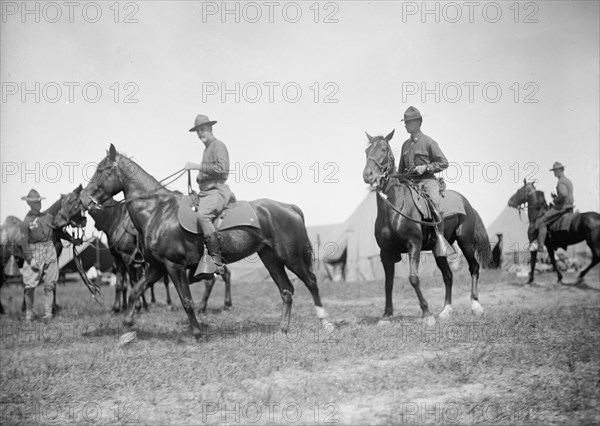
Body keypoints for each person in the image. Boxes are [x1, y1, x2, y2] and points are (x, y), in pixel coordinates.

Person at [398, 106, 453, 257]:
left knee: (435, 203)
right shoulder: (404, 145)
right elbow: (400, 171)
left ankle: (439, 239)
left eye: (408, 122)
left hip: (427, 181)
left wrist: (426, 167)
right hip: (409, 184)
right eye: (405, 122)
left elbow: (444, 163)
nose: (405, 125)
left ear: (417, 123)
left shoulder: (429, 142)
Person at [184, 115, 234, 277]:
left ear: (210, 129)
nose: (200, 134)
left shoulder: (218, 145)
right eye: (198, 131)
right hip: (205, 192)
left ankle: (216, 262)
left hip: (217, 190)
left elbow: (222, 169)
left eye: (202, 130)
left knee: (203, 216)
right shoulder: (207, 149)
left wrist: (197, 166)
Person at [19, 189, 58, 322]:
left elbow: (58, 229)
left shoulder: (48, 217)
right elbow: (24, 243)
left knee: (49, 284)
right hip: (35, 251)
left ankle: (48, 314)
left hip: (50, 249)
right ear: (29, 204)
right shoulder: (25, 222)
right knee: (29, 286)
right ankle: (29, 313)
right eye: (36, 202)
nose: (39, 204)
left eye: (39, 201)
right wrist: (30, 260)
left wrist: (72, 239)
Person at [535, 162, 574, 252]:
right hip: (570, 206)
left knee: (542, 221)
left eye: (555, 171)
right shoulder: (568, 181)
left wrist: (555, 200)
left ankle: (540, 247)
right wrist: (556, 196)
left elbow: (563, 194)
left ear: (559, 171)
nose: (554, 173)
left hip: (562, 207)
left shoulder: (560, 182)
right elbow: (566, 194)